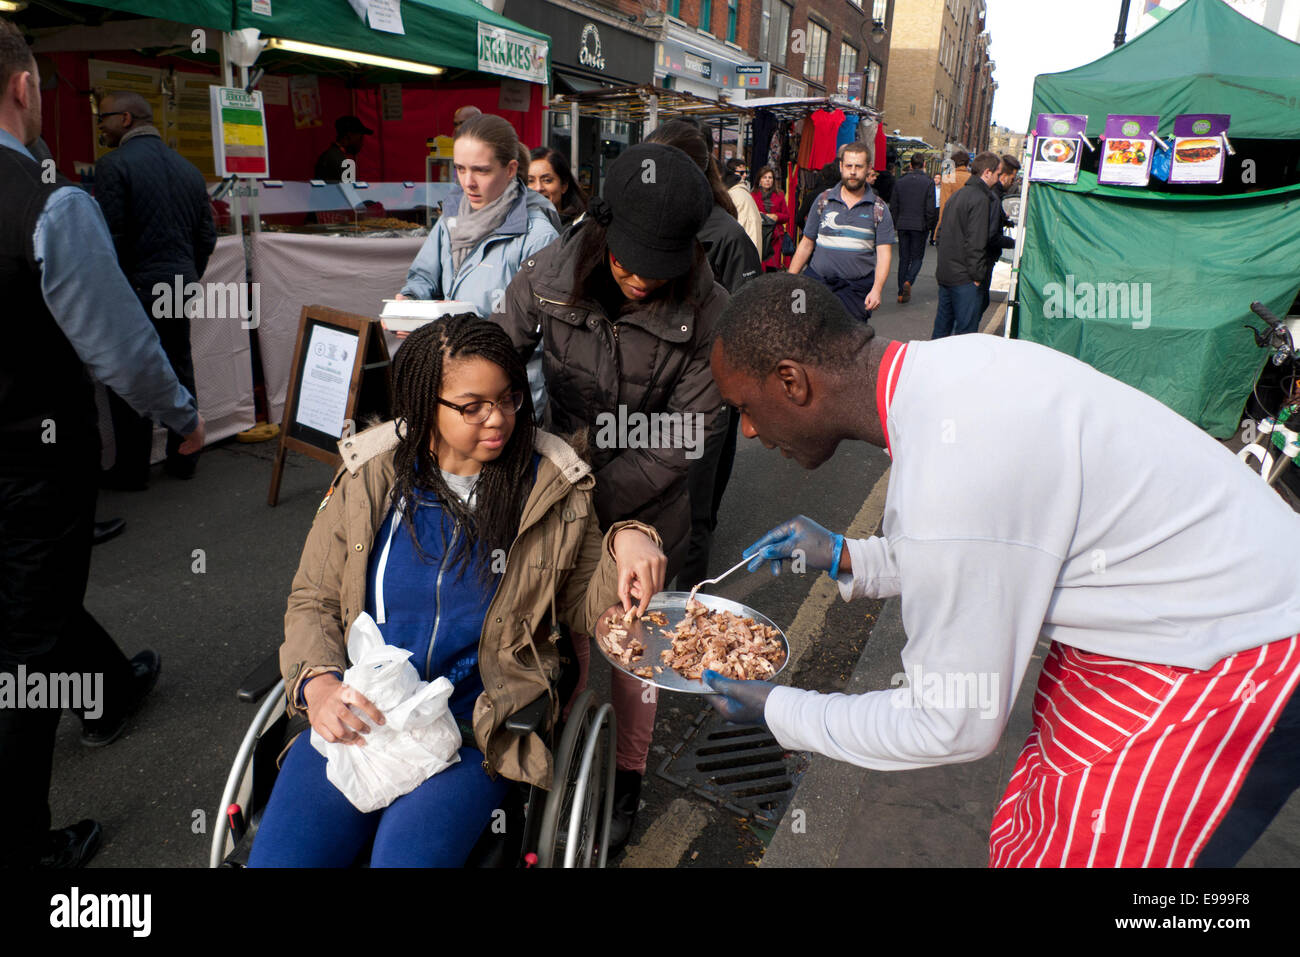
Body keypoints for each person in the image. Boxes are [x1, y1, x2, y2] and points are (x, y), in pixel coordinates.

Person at [705, 272, 1300, 868]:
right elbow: (987, 550)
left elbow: (947, 722)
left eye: (744, 409)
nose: (749, 430)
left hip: (1241, 653)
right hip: (1171, 612)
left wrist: (780, 709)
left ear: (792, 381)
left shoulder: (953, 471)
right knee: (1036, 822)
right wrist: (847, 555)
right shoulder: (946, 371)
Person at [248, 316, 666, 867]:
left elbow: (588, 606)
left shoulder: (551, 488)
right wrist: (318, 684)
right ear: (425, 406)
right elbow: (314, 599)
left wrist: (627, 540)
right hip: (361, 712)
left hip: (476, 729)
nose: (499, 418)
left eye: (509, 398)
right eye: (473, 407)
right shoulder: (369, 477)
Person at [0, 18, 204, 868]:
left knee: (30, 596)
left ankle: (110, 687)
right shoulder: (50, 202)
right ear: (24, 87)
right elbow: (120, 349)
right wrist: (182, 414)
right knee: (28, 642)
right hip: (31, 459)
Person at [493, 142, 725, 856]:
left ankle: (626, 777)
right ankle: (547, 750)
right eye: (629, 263)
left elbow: (686, 435)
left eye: (660, 268)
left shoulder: (709, 312)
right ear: (602, 228)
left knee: (634, 647)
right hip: (558, 481)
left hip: (647, 502)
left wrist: (597, 507)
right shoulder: (547, 274)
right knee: (557, 633)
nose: (642, 280)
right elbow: (496, 359)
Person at [643, 121, 759, 597]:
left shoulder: (727, 238)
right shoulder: (643, 224)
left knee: (694, 513)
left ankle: (685, 616)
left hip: (704, 404)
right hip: (644, 398)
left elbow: (747, 334)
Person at [94, 90, 217, 488]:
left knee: (131, 374)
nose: (100, 126)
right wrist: (187, 274)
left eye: (104, 118)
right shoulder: (189, 170)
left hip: (135, 287)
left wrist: (118, 288)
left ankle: (132, 471)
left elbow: (110, 239)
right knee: (179, 367)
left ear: (126, 119)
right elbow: (207, 235)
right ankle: (185, 459)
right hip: (177, 284)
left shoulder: (112, 166)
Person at [396, 114, 558, 415]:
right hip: (453, 384)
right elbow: (424, 275)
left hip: (507, 398)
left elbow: (543, 337)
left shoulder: (538, 237)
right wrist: (411, 301)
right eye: (460, 168)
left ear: (511, 169)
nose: (468, 182)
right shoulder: (452, 216)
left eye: (481, 170)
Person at [787, 142, 896, 323]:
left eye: (858, 166)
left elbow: (884, 254)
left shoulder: (879, 208)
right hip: (816, 284)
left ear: (869, 168)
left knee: (850, 339)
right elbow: (806, 243)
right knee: (802, 330)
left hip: (855, 291)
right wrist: (789, 281)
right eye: (848, 166)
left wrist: (877, 289)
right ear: (841, 167)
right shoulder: (823, 200)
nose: (852, 172)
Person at [931, 151, 998, 339]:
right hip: (964, 275)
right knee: (965, 334)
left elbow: (943, 204)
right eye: (997, 173)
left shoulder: (950, 180)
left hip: (947, 269)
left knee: (941, 329)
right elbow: (976, 241)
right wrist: (977, 276)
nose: (998, 178)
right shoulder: (979, 195)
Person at [889, 154, 938, 304]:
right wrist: (929, 225)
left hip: (903, 224)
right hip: (920, 225)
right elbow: (930, 208)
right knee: (917, 258)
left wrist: (896, 222)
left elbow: (894, 204)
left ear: (910, 165)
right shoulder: (928, 182)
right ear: (924, 165)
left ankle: (900, 292)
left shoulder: (900, 181)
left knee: (904, 258)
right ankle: (909, 281)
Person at [979, 154, 1019, 318]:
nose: (1013, 182)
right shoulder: (993, 197)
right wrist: (1013, 242)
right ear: (1004, 176)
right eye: (1012, 178)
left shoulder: (991, 194)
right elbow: (991, 235)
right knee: (979, 303)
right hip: (984, 259)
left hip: (978, 259)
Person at [527, 146, 587, 229]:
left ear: (564, 185)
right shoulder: (514, 225)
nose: (538, 188)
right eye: (530, 181)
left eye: (547, 180)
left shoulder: (580, 227)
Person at [751, 166, 790, 271]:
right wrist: (762, 215)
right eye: (764, 177)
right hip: (759, 235)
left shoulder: (779, 195)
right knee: (759, 267)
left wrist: (776, 216)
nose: (768, 180)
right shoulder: (752, 195)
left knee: (772, 268)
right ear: (759, 180)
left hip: (775, 237)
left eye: (770, 177)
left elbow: (787, 216)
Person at [723, 157, 764, 255]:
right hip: (747, 252)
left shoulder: (736, 194)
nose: (745, 175)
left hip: (744, 252)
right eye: (741, 173)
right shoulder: (739, 192)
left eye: (746, 172)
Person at [314, 115, 372, 182]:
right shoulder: (344, 162)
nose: (362, 143)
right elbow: (349, 189)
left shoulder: (327, 155)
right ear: (349, 136)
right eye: (360, 137)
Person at [934, 149, 970, 239]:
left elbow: (944, 205)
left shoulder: (948, 178)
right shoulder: (972, 178)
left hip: (951, 226)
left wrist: (938, 231)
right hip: (968, 226)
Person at [930, 172, 942, 245]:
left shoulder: (941, 189)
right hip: (930, 207)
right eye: (935, 177)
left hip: (937, 208)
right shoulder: (930, 187)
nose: (936, 179)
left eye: (938, 178)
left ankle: (932, 239)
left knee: (935, 224)